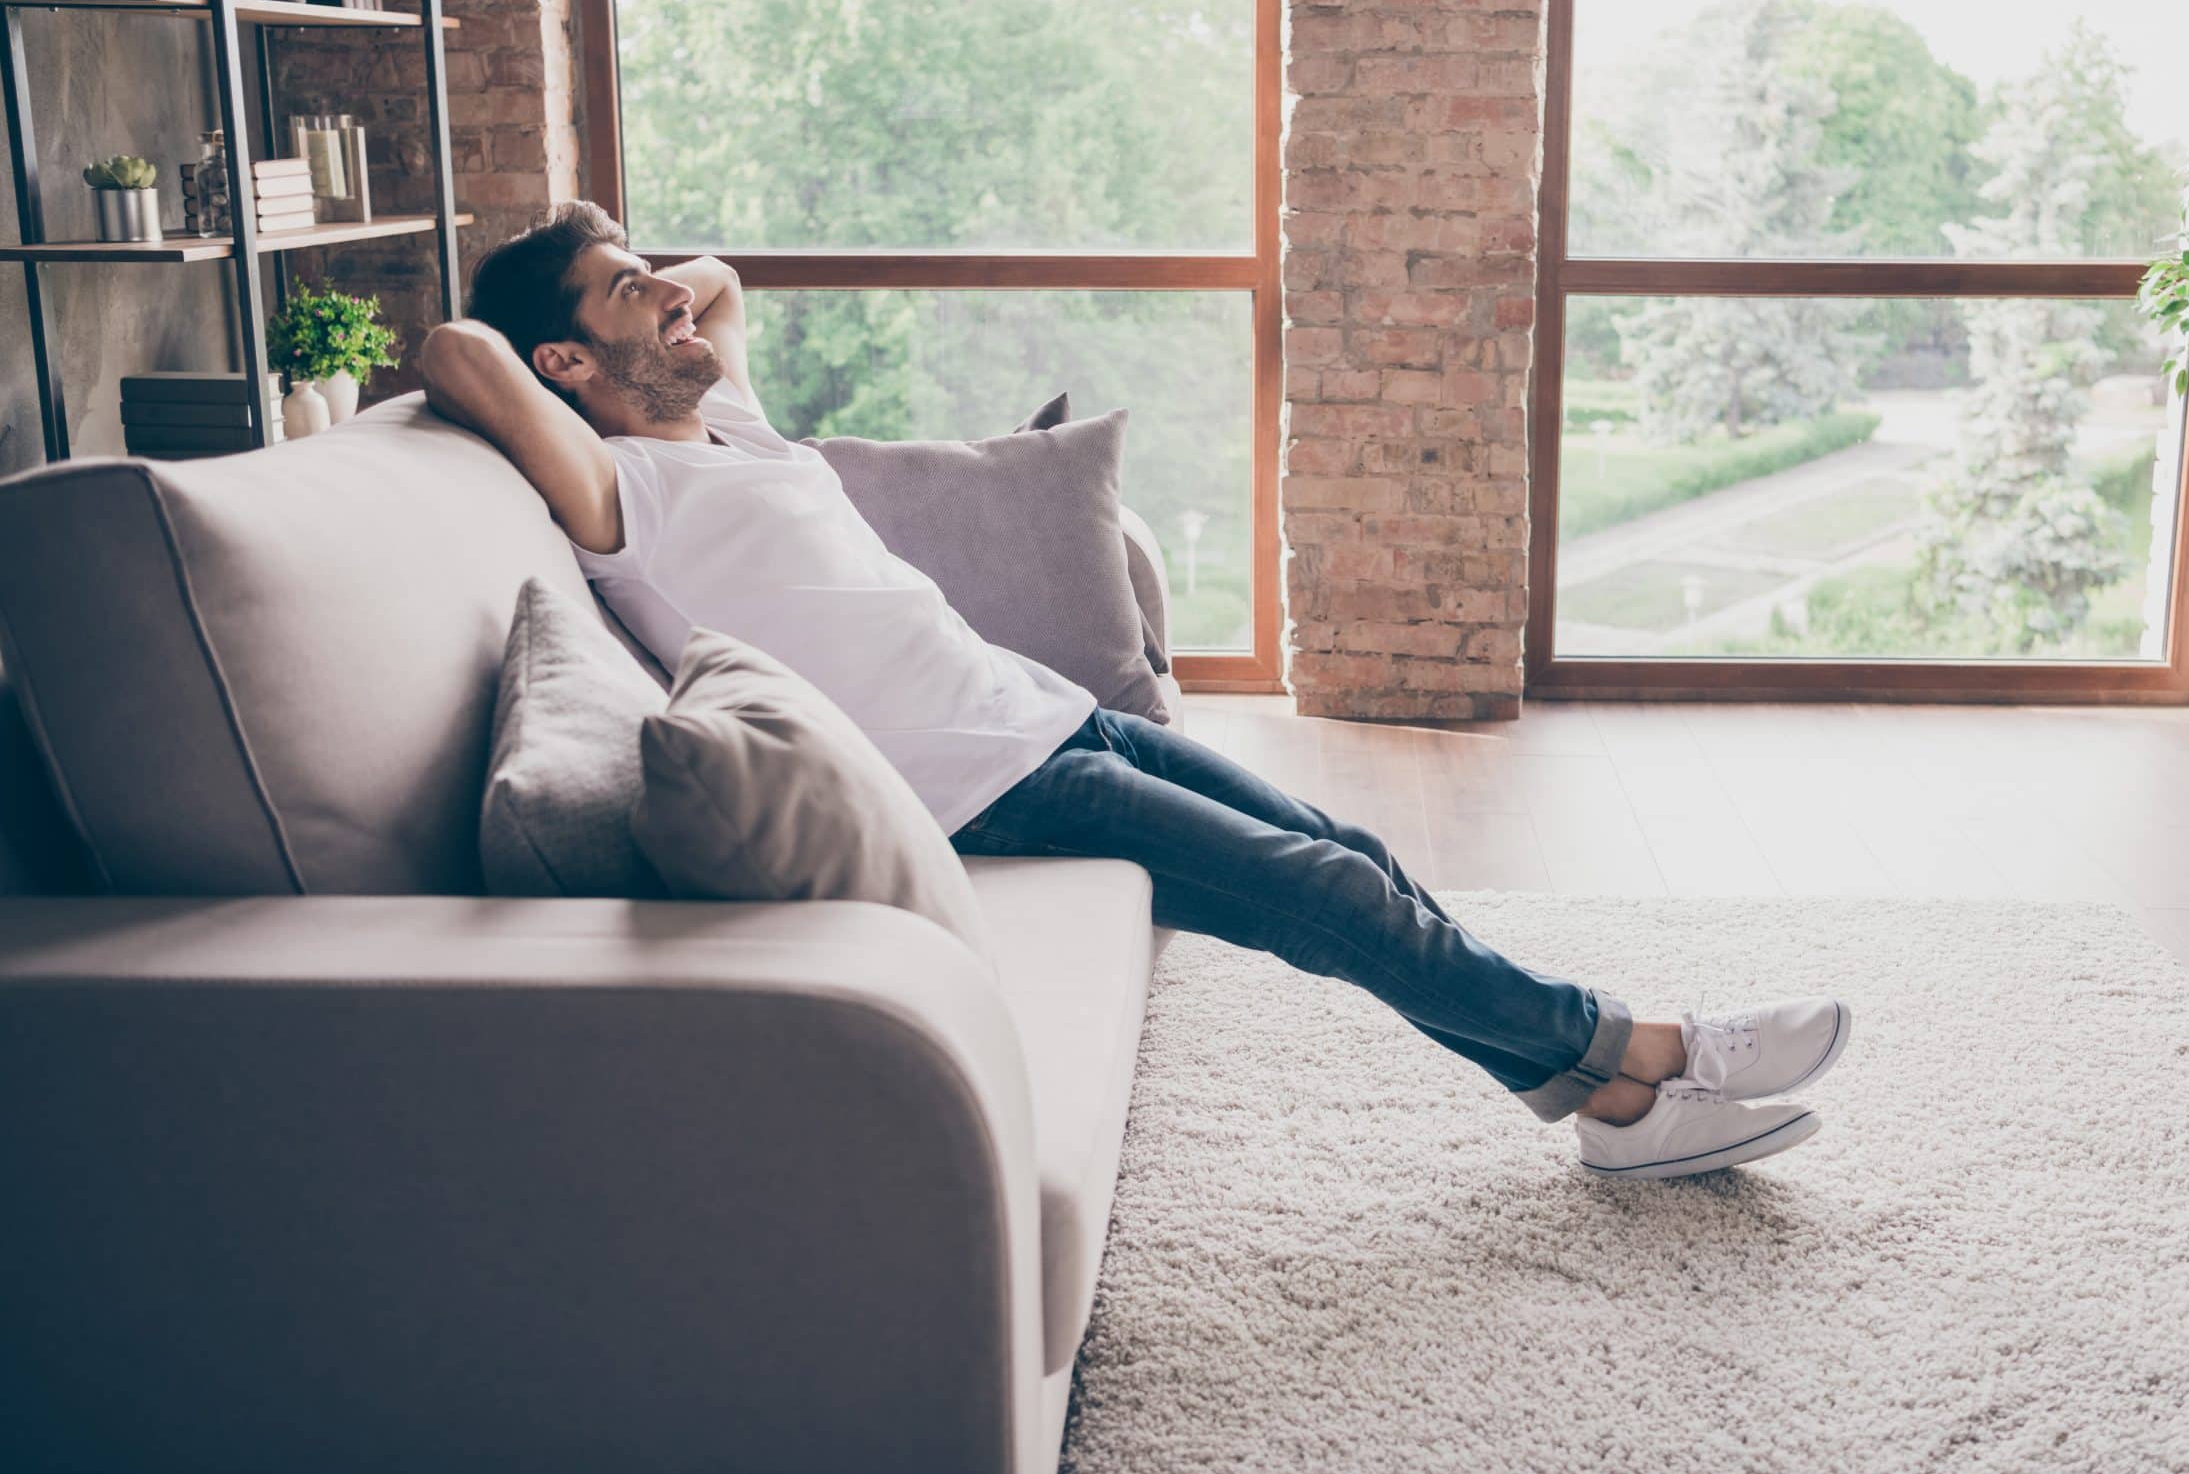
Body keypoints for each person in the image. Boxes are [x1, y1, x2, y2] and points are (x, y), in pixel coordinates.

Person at [418, 202, 1853, 1179]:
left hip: (1039, 711)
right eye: (629, 297)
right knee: (1330, 900)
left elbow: (715, 282)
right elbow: (459, 353)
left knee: (1352, 855)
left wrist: (626, 274)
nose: (675, 301)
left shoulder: (715, 413)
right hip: (981, 786)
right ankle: (1644, 1046)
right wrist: (565, 327)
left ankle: (1598, 1106)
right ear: (565, 364)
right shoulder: (622, 489)